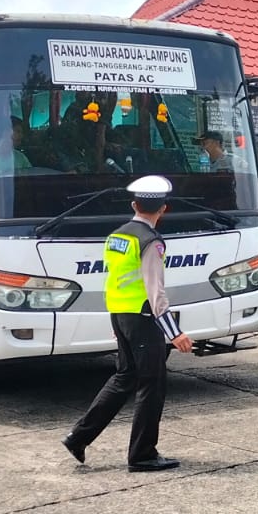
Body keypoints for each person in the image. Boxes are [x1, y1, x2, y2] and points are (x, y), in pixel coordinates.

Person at [62, 176, 194, 471]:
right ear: (164, 209)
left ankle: (78, 437)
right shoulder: (150, 241)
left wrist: (117, 321)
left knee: (125, 377)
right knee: (151, 385)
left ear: (134, 205)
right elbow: (155, 291)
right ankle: (142, 455)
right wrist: (175, 332)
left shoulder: (117, 237)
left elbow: (113, 281)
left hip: (122, 315)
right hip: (143, 318)